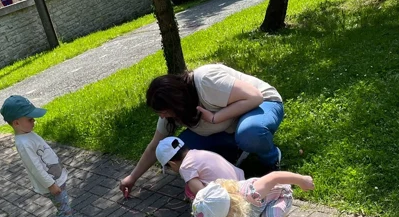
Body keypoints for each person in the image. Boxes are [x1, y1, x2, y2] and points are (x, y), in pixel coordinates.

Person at [120, 64, 284, 198]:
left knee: (250, 133)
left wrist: (215, 118)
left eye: (165, 112)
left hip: (261, 105)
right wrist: (132, 177)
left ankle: (271, 159)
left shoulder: (205, 80)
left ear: (176, 102)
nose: (163, 116)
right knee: (179, 152)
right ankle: (235, 152)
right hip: (228, 127)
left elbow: (255, 97)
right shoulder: (171, 113)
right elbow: (155, 146)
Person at [0, 95, 92, 217]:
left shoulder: (28, 134)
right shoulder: (23, 143)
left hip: (56, 179)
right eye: (30, 119)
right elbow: (35, 167)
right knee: (63, 209)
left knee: (65, 205)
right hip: (51, 184)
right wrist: (51, 184)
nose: (34, 121)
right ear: (16, 123)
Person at [155, 136, 245, 201]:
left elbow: (202, 194)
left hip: (232, 198)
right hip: (242, 185)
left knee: (190, 191)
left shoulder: (185, 167)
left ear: (172, 163)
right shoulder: (197, 153)